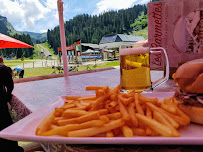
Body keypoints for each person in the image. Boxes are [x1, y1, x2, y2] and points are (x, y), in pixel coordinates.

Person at [0, 57, 24, 152]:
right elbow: (10, 84)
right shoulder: (2, 69)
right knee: (5, 129)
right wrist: (7, 96)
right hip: (1, 109)